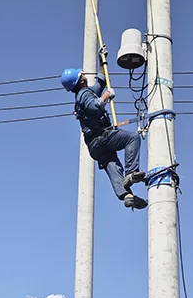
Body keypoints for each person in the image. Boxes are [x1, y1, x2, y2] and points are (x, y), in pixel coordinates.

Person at [61, 67, 147, 210]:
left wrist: (103, 61)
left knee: (112, 164)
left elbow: (101, 82)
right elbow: (96, 106)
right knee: (132, 138)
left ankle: (127, 196)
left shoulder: (86, 93)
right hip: (101, 136)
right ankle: (131, 172)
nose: (84, 74)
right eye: (82, 74)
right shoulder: (84, 94)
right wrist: (107, 95)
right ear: (80, 80)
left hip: (94, 146)